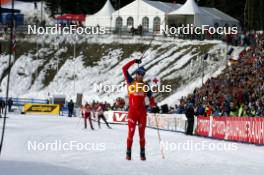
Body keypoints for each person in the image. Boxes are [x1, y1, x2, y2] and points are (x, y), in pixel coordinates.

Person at [122, 59, 156, 161]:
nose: (141, 76)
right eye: (139, 74)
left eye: (143, 74)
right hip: (132, 113)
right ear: (136, 74)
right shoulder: (130, 81)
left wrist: (153, 104)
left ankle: (142, 153)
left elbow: (151, 98)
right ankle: (128, 153)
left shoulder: (145, 85)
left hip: (142, 113)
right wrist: (134, 61)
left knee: (142, 135)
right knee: (131, 134)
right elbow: (124, 69)